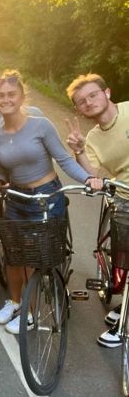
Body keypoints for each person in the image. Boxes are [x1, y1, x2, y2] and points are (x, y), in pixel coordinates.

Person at [0, 70, 101, 334]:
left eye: (11, 95)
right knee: (12, 256)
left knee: (30, 258)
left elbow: (62, 160)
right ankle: (14, 302)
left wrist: (88, 179)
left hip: (46, 196)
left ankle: (29, 312)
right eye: (1, 95)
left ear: (21, 97)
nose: (6, 99)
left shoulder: (40, 125)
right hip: (17, 197)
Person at [66, 73, 129, 348]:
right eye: (82, 101)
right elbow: (93, 174)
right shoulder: (91, 137)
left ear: (107, 92)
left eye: (92, 95)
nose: (88, 102)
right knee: (126, 259)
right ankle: (124, 315)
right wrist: (79, 151)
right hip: (125, 197)